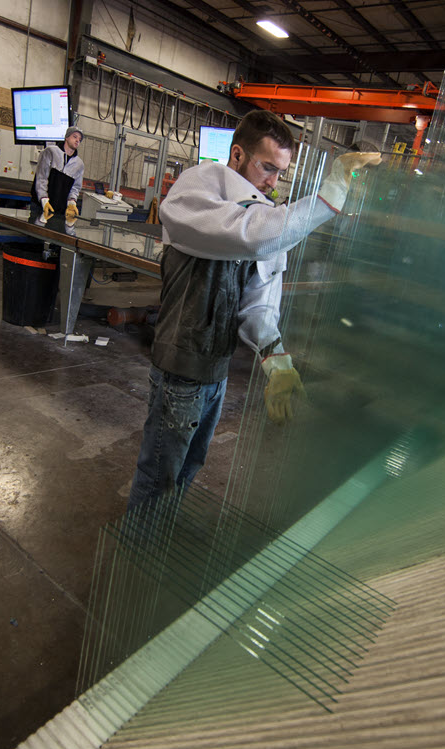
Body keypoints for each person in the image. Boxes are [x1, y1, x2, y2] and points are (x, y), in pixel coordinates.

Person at [127, 111, 381, 512]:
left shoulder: (263, 215)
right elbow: (252, 236)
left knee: (190, 465)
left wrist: (278, 364)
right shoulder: (196, 191)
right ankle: (140, 539)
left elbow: (259, 302)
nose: (273, 182)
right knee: (160, 474)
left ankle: (160, 529)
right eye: (267, 167)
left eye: (280, 173)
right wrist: (332, 190)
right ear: (237, 155)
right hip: (179, 368)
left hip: (215, 371)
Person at [32, 125, 84, 226]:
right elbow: (41, 178)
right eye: (75, 137)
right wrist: (44, 200)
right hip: (40, 207)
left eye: (80, 139)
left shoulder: (79, 164)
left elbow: (75, 187)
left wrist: (72, 203)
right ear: (66, 137)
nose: (77, 140)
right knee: (35, 233)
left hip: (59, 212)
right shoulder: (50, 151)